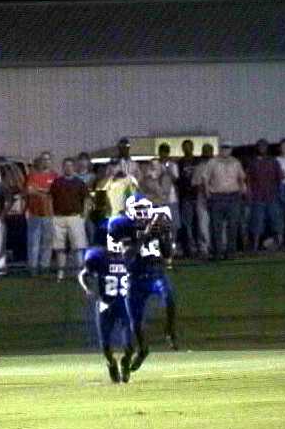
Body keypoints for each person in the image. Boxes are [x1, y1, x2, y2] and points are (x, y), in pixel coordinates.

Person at [108, 194, 178, 373]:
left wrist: (164, 235)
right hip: (135, 279)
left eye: (145, 209)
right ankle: (143, 349)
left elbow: (167, 254)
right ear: (130, 211)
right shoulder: (125, 227)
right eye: (139, 209)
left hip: (156, 274)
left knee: (169, 298)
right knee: (136, 323)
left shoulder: (157, 224)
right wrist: (145, 235)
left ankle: (169, 332)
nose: (143, 213)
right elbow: (128, 257)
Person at [77, 233, 134, 384]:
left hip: (125, 305)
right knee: (105, 345)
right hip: (105, 305)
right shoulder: (101, 258)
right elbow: (83, 275)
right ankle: (111, 363)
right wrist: (87, 288)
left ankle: (125, 362)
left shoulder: (130, 258)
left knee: (130, 344)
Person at [204, 141, 246, 259]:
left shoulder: (236, 162)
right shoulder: (212, 162)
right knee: (216, 226)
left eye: (228, 148)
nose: (226, 150)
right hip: (217, 196)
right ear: (220, 149)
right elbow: (205, 178)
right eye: (224, 148)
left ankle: (231, 252)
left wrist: (242, 191)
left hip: (233, 196)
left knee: (233, 225)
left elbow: (241, 177)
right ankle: (217, 252)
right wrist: (207, 193)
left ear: (231, 149)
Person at [50, 158, 89, 282]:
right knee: (59, 248)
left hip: (75, 217)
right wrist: (51, 214)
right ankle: (60, 274)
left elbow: (86, 199)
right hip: (59, 218)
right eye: (66, 166)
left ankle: (80, 274)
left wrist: (84, 215)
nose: (68, 168)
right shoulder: (57, 182)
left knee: (78, 247)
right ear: (63, 167)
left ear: (74, 167)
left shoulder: (79, 183)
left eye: (70, 166)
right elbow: (50, 198)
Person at [246, 139, 283, 251]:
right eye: (260, 146)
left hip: (272, 196)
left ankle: (280, 244)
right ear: (257, 148)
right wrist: (249, 195)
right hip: (258, 197)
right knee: (257, 222)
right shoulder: (252, 162)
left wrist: (279, 193)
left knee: (276, 221)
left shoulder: (273, 161)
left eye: (264, 146)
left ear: (267, 148)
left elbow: (279, 177)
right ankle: (255, 246)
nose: (262, 148)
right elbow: (248, 180)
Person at [25, 154, 58, 276]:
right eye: (44, 159)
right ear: (40, 161)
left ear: (51, 161)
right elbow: (29, 190)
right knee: (33, 243)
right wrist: (46, 191)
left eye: (48, 159)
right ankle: (33, 268)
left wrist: (38, 190)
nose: (46, 161)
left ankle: (45, 267)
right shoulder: (32, 176)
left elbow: (55, 192)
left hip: (49, 214)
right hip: (35, 214)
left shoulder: (54, 176)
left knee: (47, 243)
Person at [191, 143, 214, 258]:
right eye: (205, 151)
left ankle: (218, 247)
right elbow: (195, 184)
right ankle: (204, 249)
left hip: (217, 199)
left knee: (218, 225)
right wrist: (204, 191)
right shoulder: (199, 167)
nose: (207, 153)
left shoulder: (217, 165)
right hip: (202, 199)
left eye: (209, 150)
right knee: (203, 226)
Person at [178, 139, 199, 257]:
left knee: (199, 223)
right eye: (185, 147)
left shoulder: (197, 161)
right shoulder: (180, 163)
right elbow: (178, 180)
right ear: (182, 149)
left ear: (192, 147)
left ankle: (200, 247)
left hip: (198, 197)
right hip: (186, 197)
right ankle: (190, 248)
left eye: (189, 146)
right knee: (187, 224)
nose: (187, 149)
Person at [75, 152, 97, 246]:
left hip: (89, 207)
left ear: (88, 162)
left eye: (85, 160)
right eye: (81, 160)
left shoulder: (93, 177)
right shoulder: (74, 176)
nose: (83, 162)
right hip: (77, 207)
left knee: (91, 230)